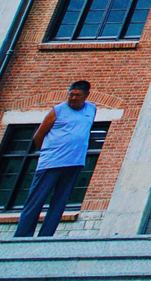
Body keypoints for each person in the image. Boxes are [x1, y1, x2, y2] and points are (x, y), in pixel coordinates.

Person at [14, 80, 98, 238]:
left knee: (59, 204)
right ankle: (22, 236)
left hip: (74, 163)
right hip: (51, 164)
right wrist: (49, 152)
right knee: (35, 201)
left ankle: (46, 237)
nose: (72, 98)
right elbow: (38, 136)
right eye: (70, 95)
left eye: (77, 96)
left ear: (86, 95)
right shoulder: (57, 110)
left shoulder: (92, 109)